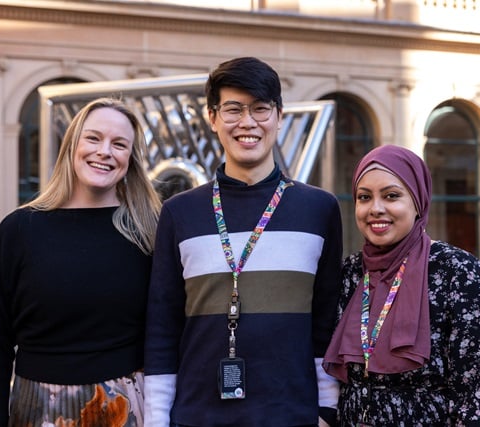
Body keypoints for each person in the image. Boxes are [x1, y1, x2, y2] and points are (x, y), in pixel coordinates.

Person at [143, 56, 343, 427]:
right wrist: (156, 420)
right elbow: (162, 327)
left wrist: (327, 411)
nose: (247, 123)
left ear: (279, 117)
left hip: (292, 416)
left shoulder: (319, 209)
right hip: (197, 416)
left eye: (260, 109)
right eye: (233, 109)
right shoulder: (178, 212)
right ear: (213, 117)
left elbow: (326, 321)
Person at [0, 97, 162, 426]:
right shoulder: (19, 230)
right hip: (38, 409)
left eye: (119, 144)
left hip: (127, 409)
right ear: (72, 144)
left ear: (130, 159)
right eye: (93, 138)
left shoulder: (149, 232)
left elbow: (168, 334)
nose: (104, 151)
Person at [323, 144, 480, 426]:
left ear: (418, 201)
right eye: (364, 197)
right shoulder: (350, 272)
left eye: (392, 196)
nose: (376, 209)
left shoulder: (457, 272)